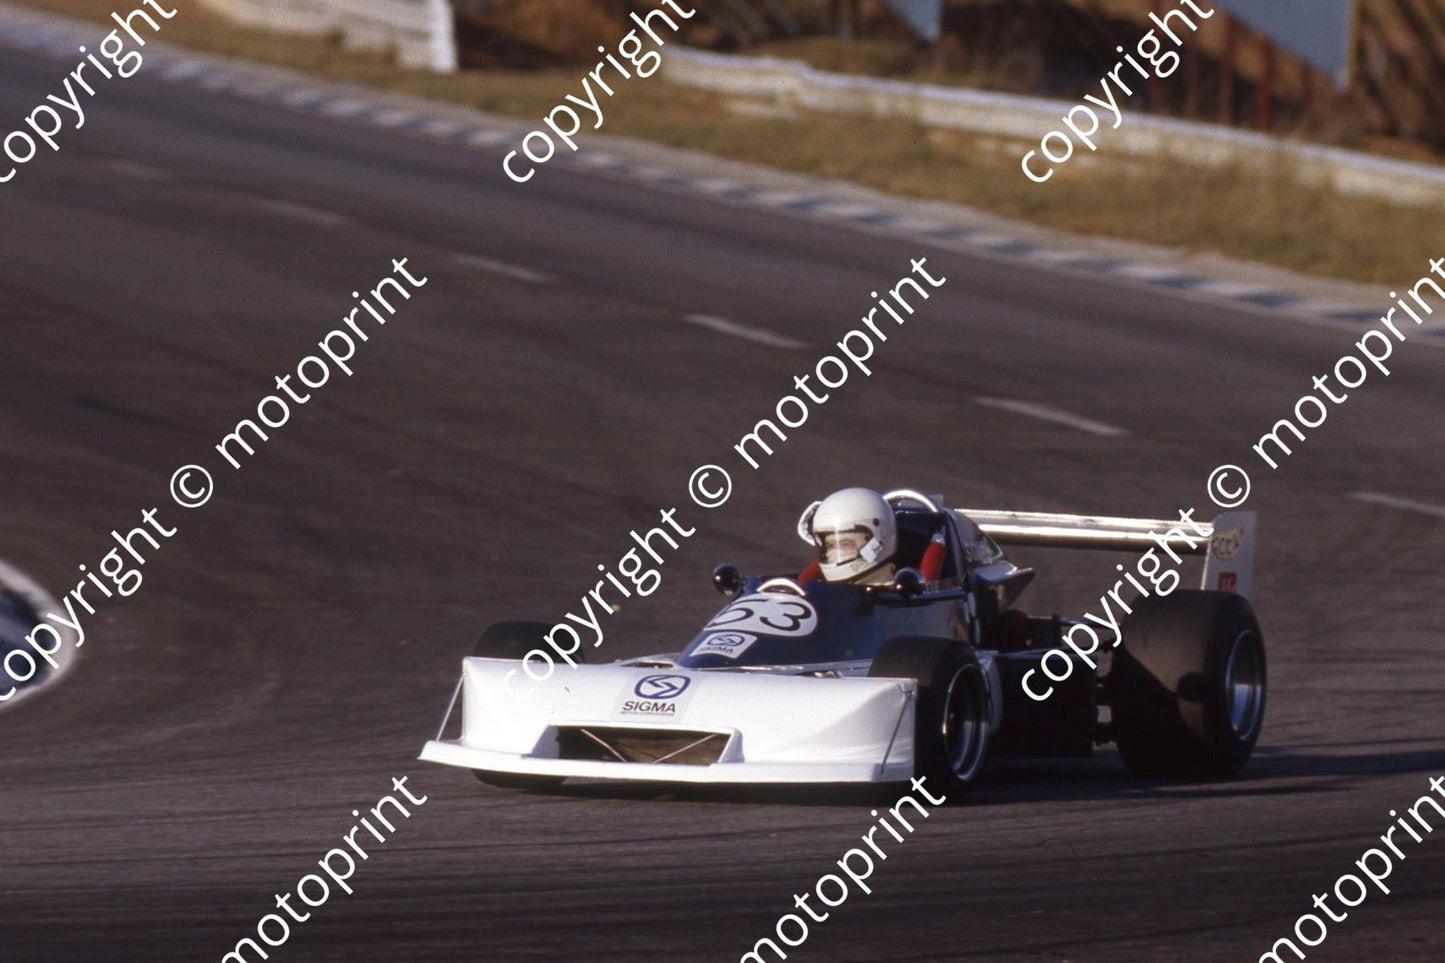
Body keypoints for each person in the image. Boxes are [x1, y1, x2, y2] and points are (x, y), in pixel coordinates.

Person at [797, 487, 898, 585]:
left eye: (844, 544)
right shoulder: (812, 590)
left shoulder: (904, 597)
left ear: (876, 542)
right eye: (828, 546)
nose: (830, 555)